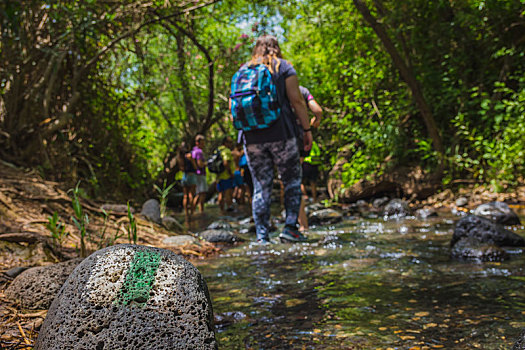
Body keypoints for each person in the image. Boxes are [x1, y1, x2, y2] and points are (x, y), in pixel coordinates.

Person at [231, 35, 313, 244]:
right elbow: (296, 100)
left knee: (261, 186)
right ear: (276, 48)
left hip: (251, 139)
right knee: (291, 182)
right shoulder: (283, 67)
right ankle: (290, 229)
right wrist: (306, 129)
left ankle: (262, 236)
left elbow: (234, 111)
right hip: (282, 135)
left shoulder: (243, 70)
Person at [177, 142, 197, 218]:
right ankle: (192, 212)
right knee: (191, 195)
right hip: (191, 175)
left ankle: (186, 213)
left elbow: (181, 169)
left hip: (184, 176)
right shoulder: (189, 155)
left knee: (185, 196)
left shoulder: (179, 157)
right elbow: (195, 167)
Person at [216, 136, 235, 213]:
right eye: (230, 142)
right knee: (228, 193)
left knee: (221, 193)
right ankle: (229, 209)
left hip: (218, 176)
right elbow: (226, 163)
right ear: (225, 143)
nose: (231, 144)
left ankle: (221, 210)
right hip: (226, 176)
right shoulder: (226, 151)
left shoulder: (217, 150)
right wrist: (230, 173)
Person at [191, 134, 208, 213]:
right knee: (202, 193)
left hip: (195, 174)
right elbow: (200, 164)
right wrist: (207, 163)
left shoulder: (193, 150)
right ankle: (201, 211)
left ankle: (193, 211)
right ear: (197, 143)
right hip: (200, 174)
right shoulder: (199, 152)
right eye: (202, 142)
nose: (203, 144)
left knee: (198, 193)